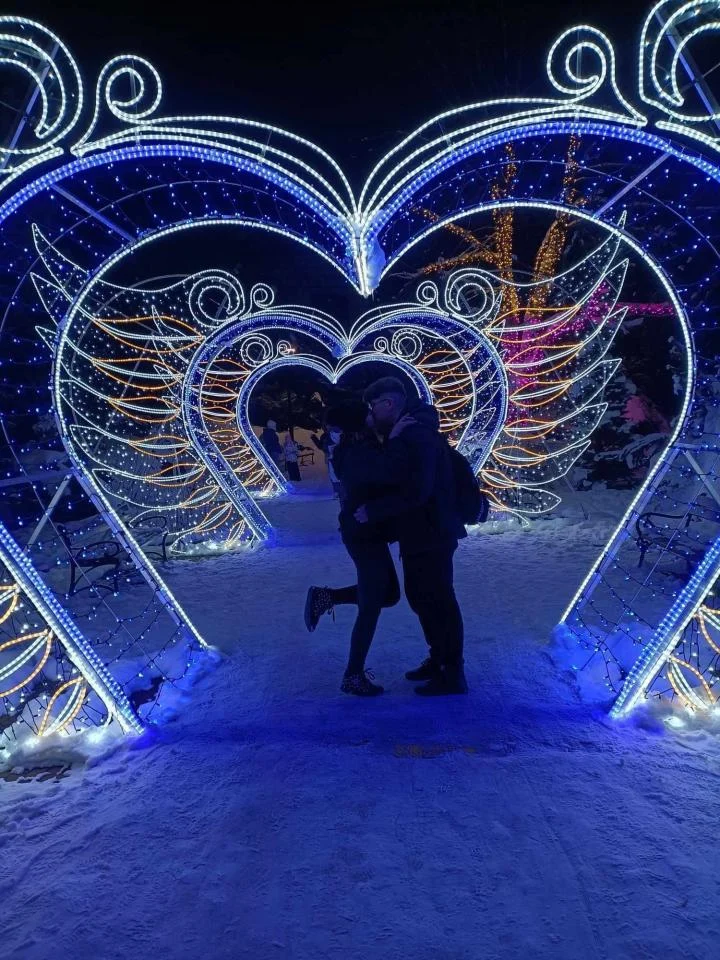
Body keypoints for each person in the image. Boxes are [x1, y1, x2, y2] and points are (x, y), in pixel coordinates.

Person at [359, 376, 468, 696]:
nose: (371, 413)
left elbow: (416, 489)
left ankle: (452, 672)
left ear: (388, 403)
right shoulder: (408, 430)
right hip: (422, 530)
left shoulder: (415, 433)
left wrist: (374, 510)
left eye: (373, 406)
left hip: (431, 531)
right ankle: (439, 659)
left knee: (438, 600)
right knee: (423, 598)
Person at [304, 399, 403, 696]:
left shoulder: (358, 447)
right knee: (371, 605)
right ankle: (353, 675)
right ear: (359, 422)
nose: (373, 416)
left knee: (389, 594)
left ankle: (326, 596)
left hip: (367, 531)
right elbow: (380, 480)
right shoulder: (359, 451)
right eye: (368, 414)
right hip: (362, 532)